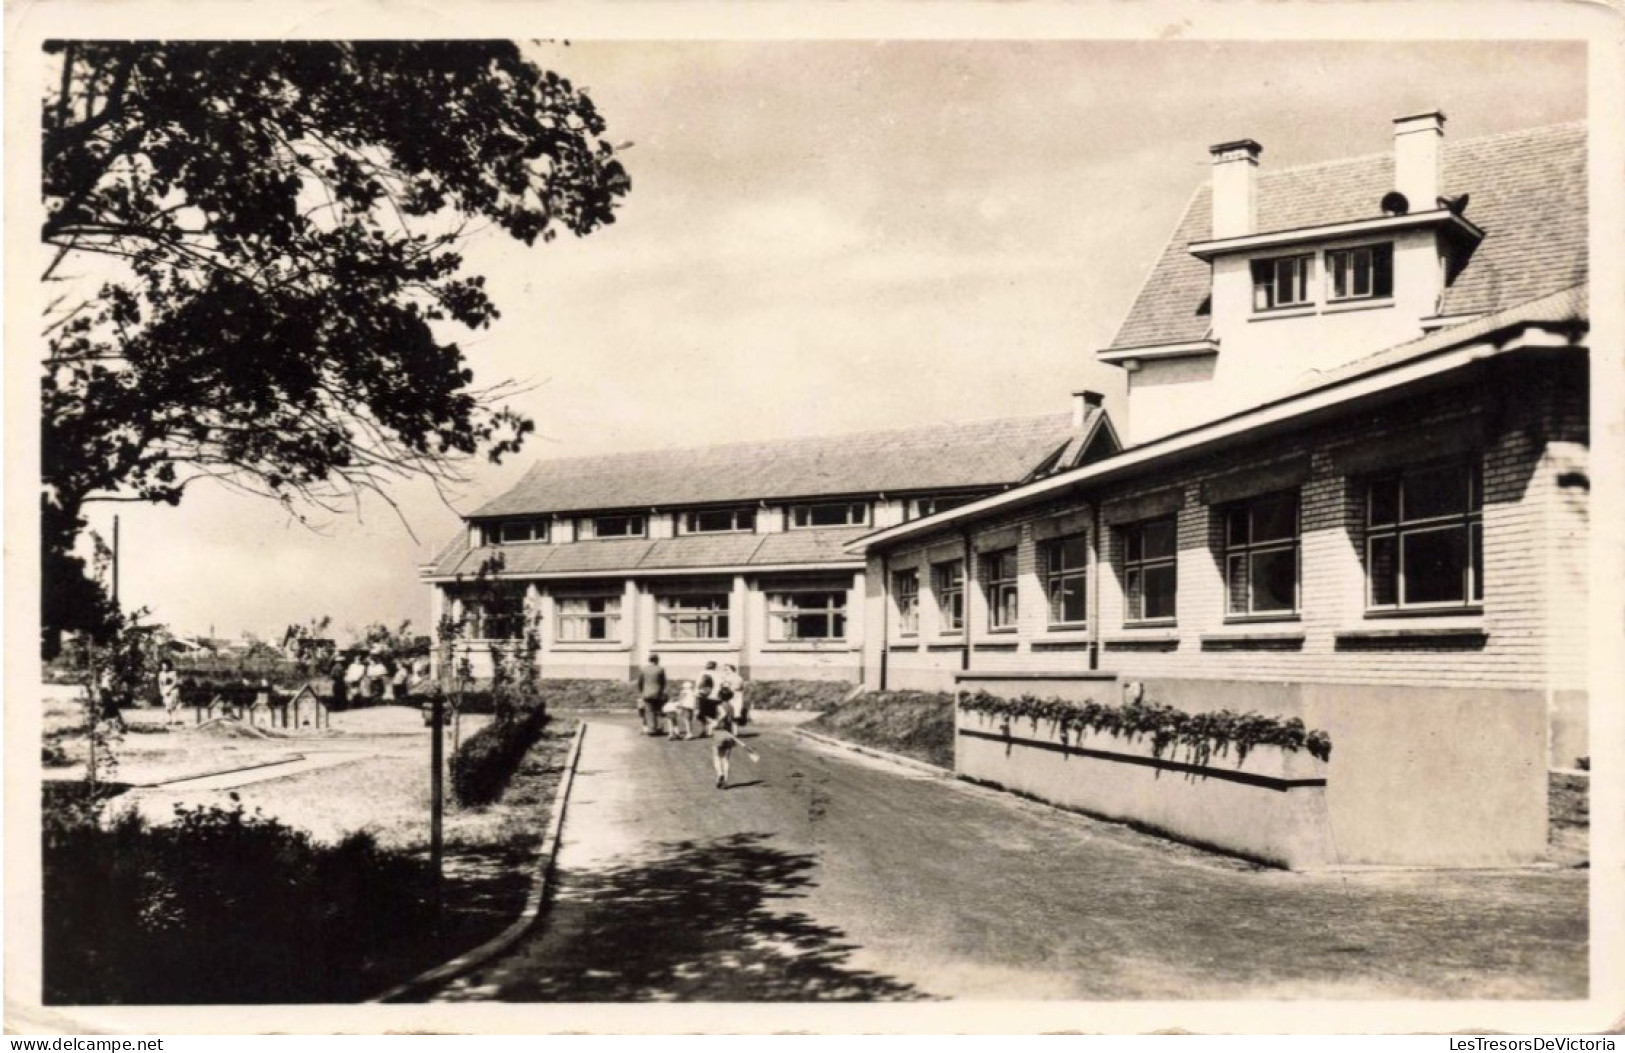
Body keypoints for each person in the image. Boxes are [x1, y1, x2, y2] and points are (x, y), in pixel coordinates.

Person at [634, 653, 668, 737]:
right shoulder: (660, 669)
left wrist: (642, 691)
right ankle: (659, 728)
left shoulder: (644, 669)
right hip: (657, 693)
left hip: (647, 693)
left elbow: (640, 682)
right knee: (659, 711)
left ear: (649, 660)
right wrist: (661, 690)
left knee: (649, 711)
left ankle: (652, 729)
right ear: (657, 660)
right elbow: (663, 682)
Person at [158, 659, 181, 725]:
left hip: (173, 690)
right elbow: (160, 683)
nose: (164, 667)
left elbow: (175, 682)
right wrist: (161, 690)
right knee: (167, 705)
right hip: (165, 690)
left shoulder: (173, 673)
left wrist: (169, 689)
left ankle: (175, 719)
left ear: (168, 666)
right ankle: (169, 719)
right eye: (163, 666)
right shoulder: (161, 673)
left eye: (165, 666)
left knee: (173, 705)